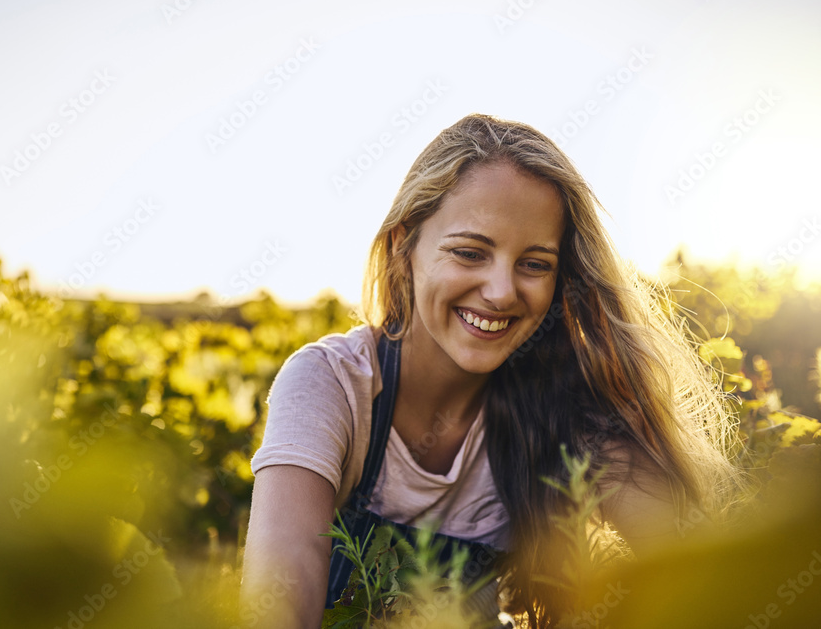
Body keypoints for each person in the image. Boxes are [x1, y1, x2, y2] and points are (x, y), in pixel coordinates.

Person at [240, 114, 741, 628]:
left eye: (534, 263)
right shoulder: (331, 386)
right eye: (470, 252)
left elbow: (696, 579)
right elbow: (277, 601)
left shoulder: (565, 410)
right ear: (403, 245)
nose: (502, 291)